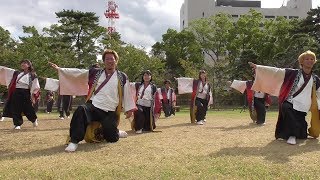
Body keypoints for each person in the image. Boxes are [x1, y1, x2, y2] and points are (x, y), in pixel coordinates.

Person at [49, 49, 136, 152]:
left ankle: (116, 132)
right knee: (81, 110)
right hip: (94, 106)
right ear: (104, 61)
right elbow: (78, 73)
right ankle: (74, 141)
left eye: (112, 59)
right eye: (107, 59)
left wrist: (129, 109)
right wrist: (60, 70)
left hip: (110, 111)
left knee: (112, 138)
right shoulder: (96, 72)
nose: (109, 61)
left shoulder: (122, 77)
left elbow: (126, 93)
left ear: (116, 61)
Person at [249, 50, 320, 145]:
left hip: (303, 105)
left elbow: (319, 92)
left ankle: (298, 133)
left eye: (312, 59)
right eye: (307, 59)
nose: (310, 60)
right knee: (286, 107)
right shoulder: (293, 73)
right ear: (302, 61)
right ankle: (292, 135)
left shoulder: (315, 79)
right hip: (291, 101)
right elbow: (276, 71)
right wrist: (259, 68)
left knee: (302, 134)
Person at [0, 60, 40, 129]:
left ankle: (33, 119)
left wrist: (33, 94)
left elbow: (36, 86)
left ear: (29, 65)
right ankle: (17, 124)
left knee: (28, 108)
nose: (22, 64)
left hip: (26, 92)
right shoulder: (17, 73)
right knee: (15, 108)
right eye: (22, 63)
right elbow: (6, 70)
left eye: (25, 63)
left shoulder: (33, 75)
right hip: (16, 91)